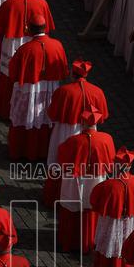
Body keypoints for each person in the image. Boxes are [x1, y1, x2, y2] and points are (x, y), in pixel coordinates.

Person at [0, 0, 55, 120]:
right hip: (36, 45)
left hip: (13, 43)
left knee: (10, 75)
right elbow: (48, 26)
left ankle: (7, 109)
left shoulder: (9, 4)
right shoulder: (42, 3)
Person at [6, 14, 68, 159]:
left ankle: (24, 150)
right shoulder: (57, 45)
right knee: (45, 117)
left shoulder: (25, 49)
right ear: (45, 28)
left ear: (30, 29)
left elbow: (13, 72)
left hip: (29, 89)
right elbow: (64, 69)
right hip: (51, 88)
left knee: (28, 116)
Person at [55, 108, 115, 254]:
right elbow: (111, 161)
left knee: (72, 209)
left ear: (82, 122)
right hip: (96, 180)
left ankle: (70, 241)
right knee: (91, 209)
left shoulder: (73, 141)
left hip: (74, 181)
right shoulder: (106, 139)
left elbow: (61, 158)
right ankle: (90, 241)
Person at [89, 147, 134, 267]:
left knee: (109, 248)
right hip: (130, 223)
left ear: (116, 166)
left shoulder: (108, 185)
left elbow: (94, 201)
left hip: (112, 224)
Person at [43, 59, 106, 192]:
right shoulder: (98, 91)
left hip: (65, 129)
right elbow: (103, 115)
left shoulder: (64, 91)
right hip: (90, 129)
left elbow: (52, 113)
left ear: (72, 74)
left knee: (60, 159)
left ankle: (58, 188)